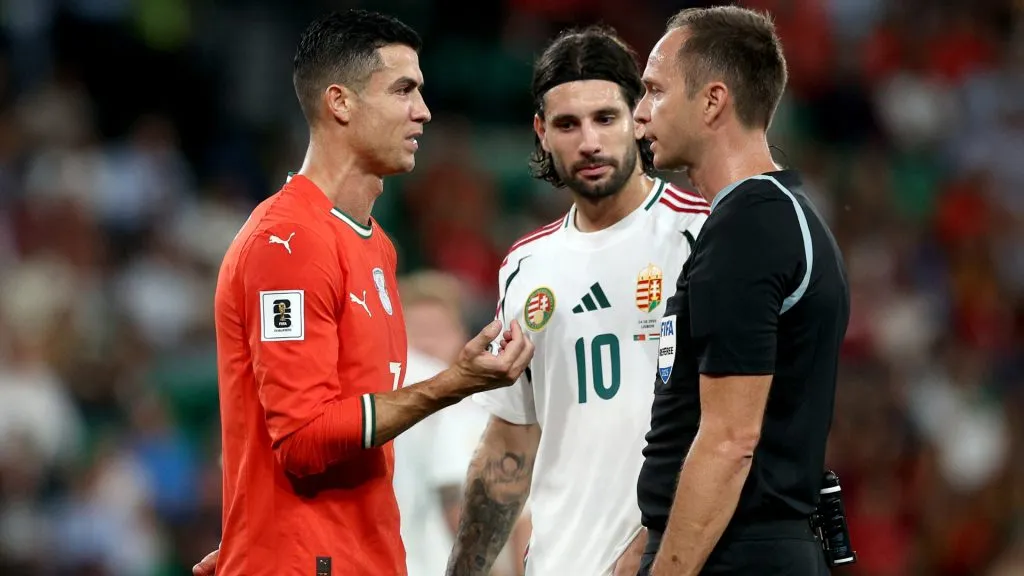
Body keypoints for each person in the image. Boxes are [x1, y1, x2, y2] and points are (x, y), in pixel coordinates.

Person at [194, 9, 534, 576]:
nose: (423, 112)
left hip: (363, 555)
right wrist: (455, 383)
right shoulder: (288, 242)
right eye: (403, 90)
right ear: (341, 103)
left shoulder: (376, 246)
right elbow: (303, 438)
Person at [446, 27, 709, 576]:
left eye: (604, 118)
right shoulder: (525, 266)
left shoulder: (698, 234)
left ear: (638, 117)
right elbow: (509, 443)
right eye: (567, 124)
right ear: (542, 133)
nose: (588, 141)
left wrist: (651, 553)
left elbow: (730, 424)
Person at [632, 6, 850, 576]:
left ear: (712, 101)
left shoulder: (749, 226)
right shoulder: (777, 215)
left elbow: (730, 441)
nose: (639, 114)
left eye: (654, 90)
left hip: (737, 552)